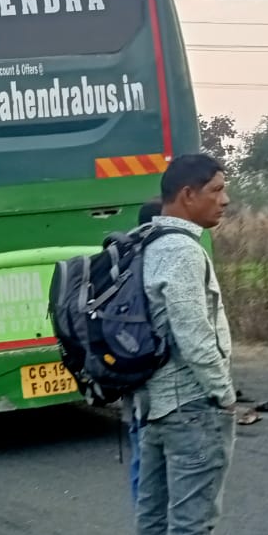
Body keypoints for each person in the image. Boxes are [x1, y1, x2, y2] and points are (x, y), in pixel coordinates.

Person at [132, 154, 268, 535]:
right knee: (189, 528)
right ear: (187, 195)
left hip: (153, 403)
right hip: (191, 407)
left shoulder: (143, 241)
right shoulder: (182, 250)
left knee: (154, 515)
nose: (226, 199)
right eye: (216, 189)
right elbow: (192, 332)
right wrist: (224, 394)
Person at [122, 197, 165, 508]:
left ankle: (145, 527)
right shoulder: (164, 259)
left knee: (141, 457)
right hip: (162, 380)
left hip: (130, 373)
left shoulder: (122, 259)